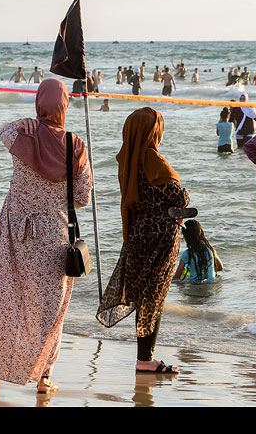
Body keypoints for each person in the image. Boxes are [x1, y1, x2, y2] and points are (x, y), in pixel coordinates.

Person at [0, 78, 93, 393]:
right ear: (65, 105)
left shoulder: (21, 134)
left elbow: (4, 130)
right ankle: (44, 377)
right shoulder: (76, 145)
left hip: (16, 232)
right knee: (51, 308)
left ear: (39, 102)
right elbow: (82, 197)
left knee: (7, 300)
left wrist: (31, 122)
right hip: (54, 234)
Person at [96, 107, 189, 375]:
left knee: (145, 296)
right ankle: (145, 359)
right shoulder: (153, 160)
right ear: (152, 131)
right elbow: (180, 198)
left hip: (137, 236)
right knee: (154, 297)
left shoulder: (127, 158)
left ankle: (144, 357)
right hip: (160, 238)